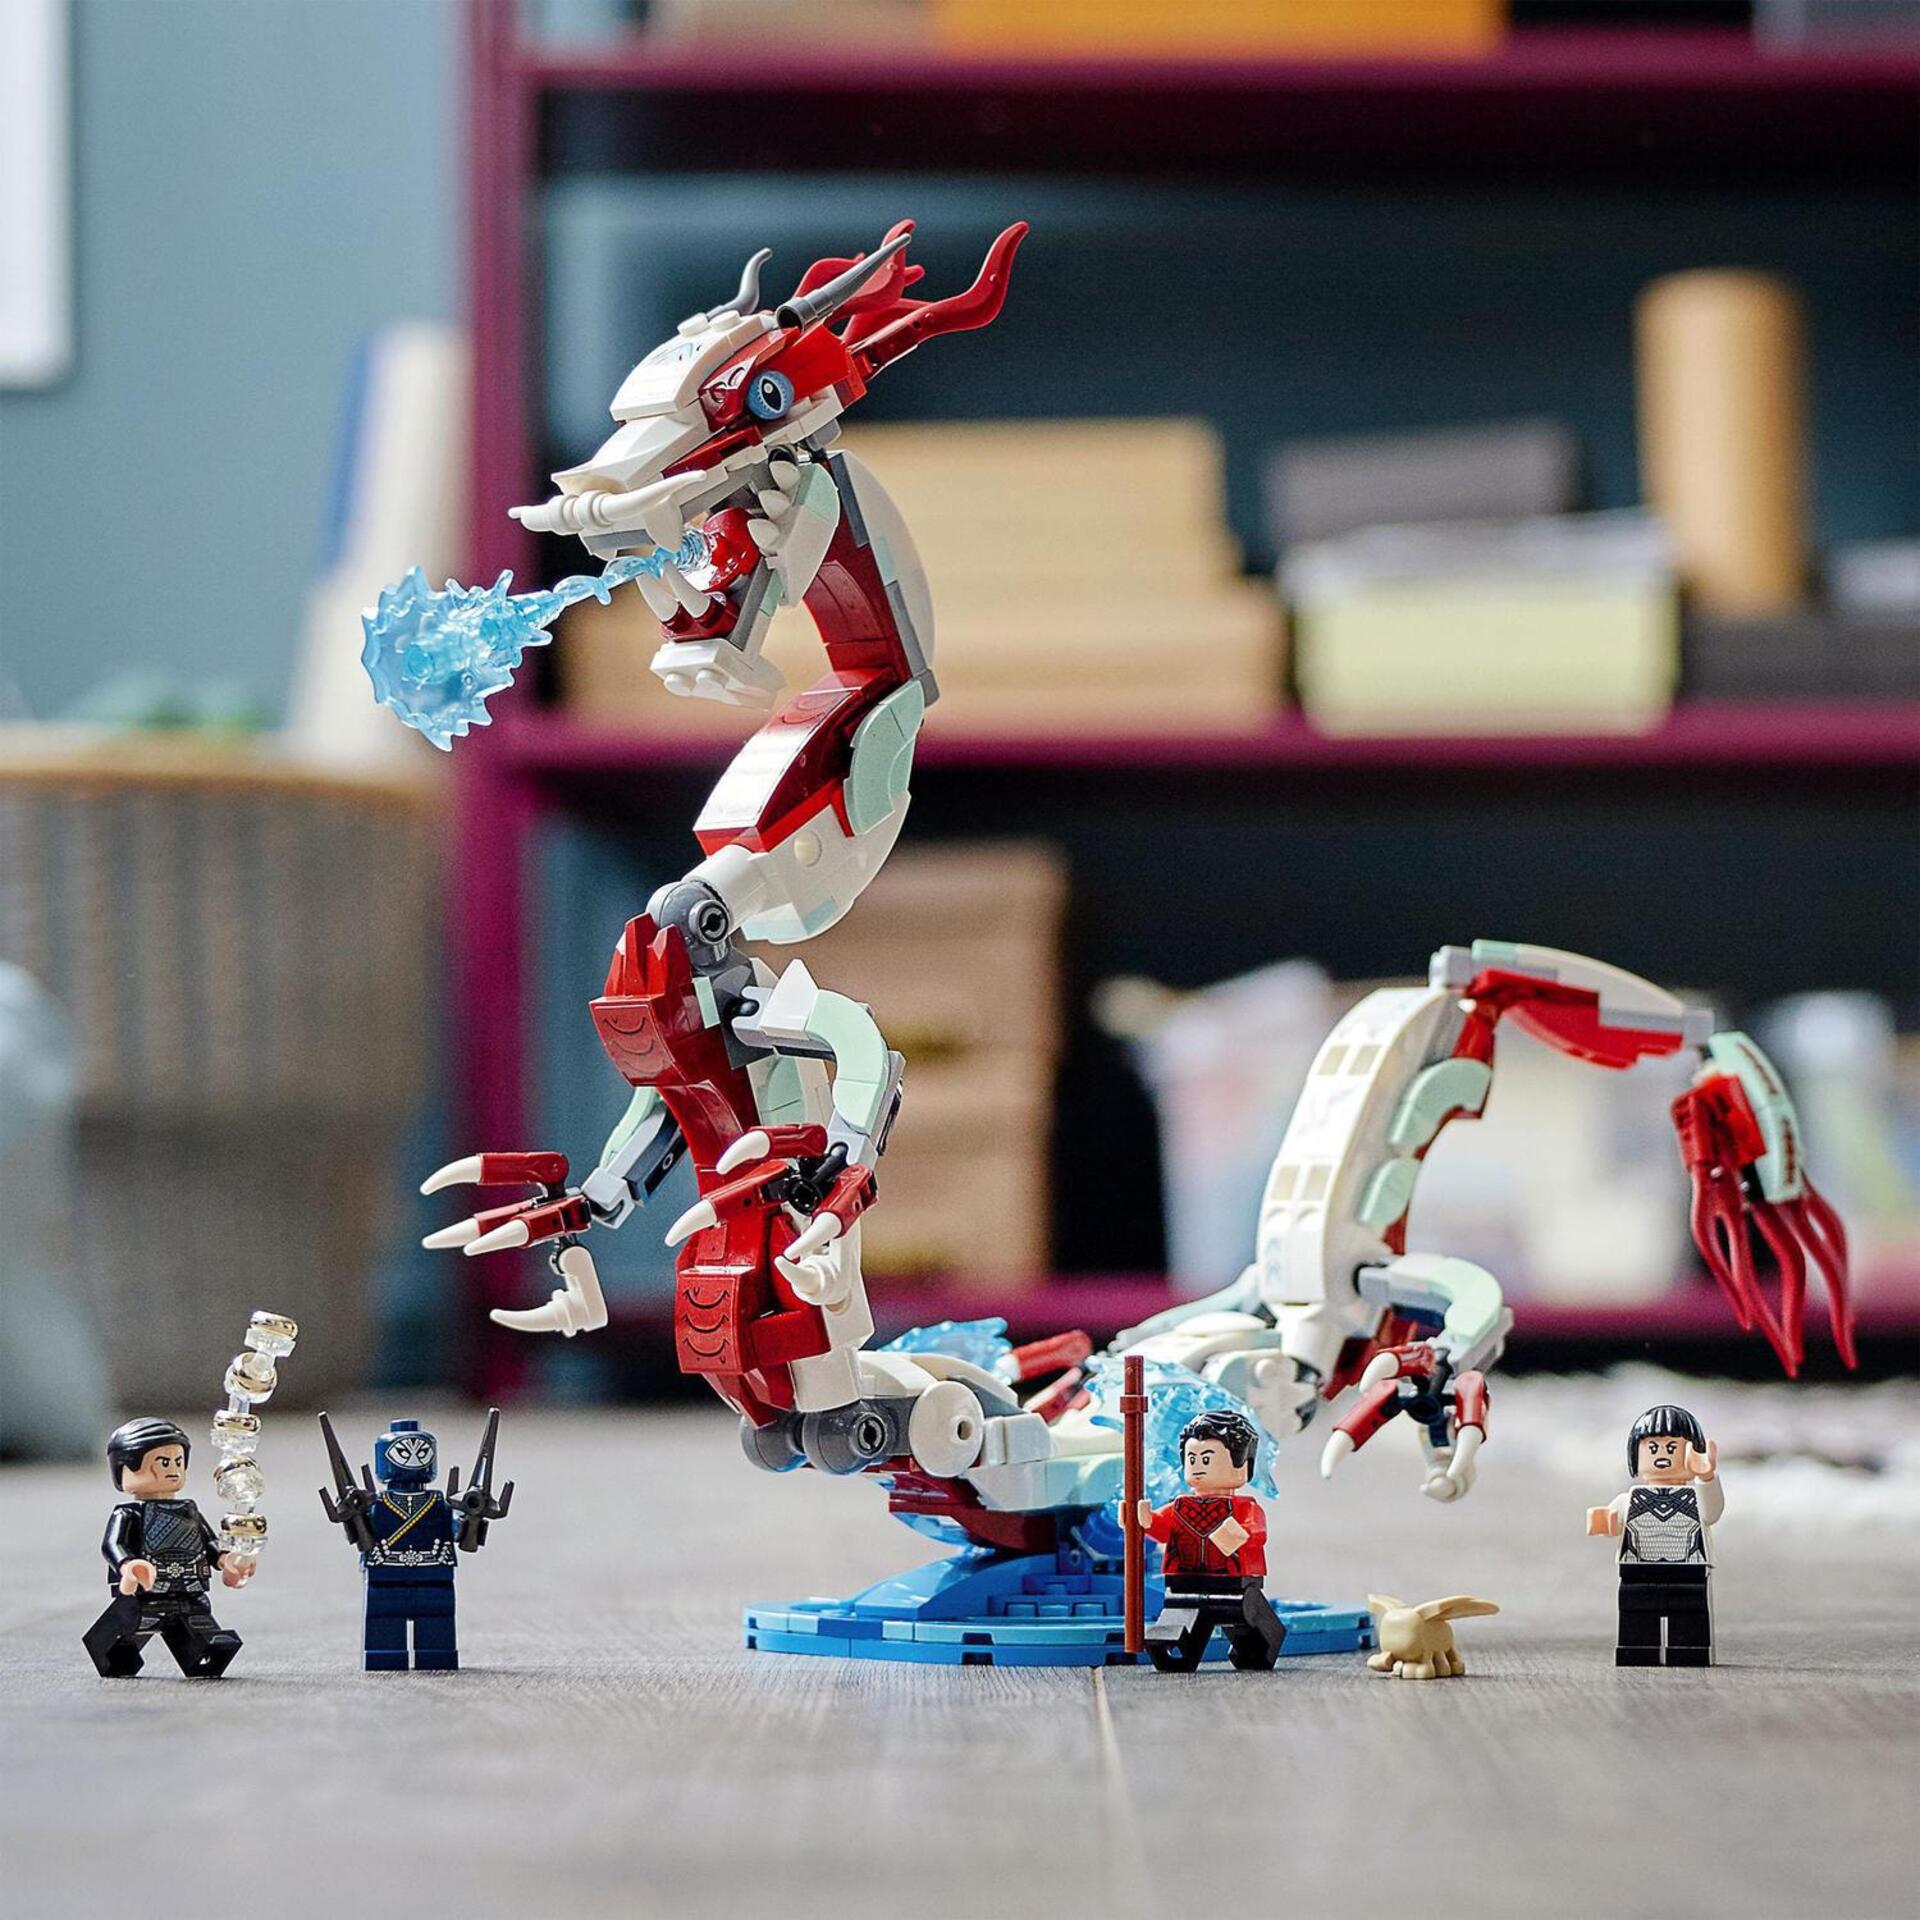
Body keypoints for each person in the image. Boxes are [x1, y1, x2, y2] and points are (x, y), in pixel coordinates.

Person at [82, 1417, 253, 1678]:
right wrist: (128, 1565)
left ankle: (200, 1654)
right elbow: (112, 1544)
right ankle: (112, 1652)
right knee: (131, 1622)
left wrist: (226, 1559)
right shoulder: (129, 1513)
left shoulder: (188, 1510)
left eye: (178, 1462)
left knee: (201, 1627)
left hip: (188, 1589)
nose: (172, 1469)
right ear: (124, 1468)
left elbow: (209, 1542)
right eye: (163, 1462)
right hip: (144, 1590)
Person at [1136, 1407, 1286, 1672]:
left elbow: (1256, 1532)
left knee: (1248, 1622)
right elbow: (1162, 1528)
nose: (1197, 1467)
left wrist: (1238, 1535)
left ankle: (1257, 1648)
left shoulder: (1245, 1508)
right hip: (1184, 1583)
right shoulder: (1179, 1507)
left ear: (1243, 1465)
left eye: (1207, 1459)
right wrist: (1143, 1519)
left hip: (1234, 1584)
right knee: (1174, 1623)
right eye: (1191, 1459)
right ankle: (1176, 1652)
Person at [1586, 1402, 1723, 1668]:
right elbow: (1612, 1522)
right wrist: (1605, 1522)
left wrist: (1707, 1478)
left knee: (1690, 1612)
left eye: (1672, 1448)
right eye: (1653, 1448)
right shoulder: (1630, 1499)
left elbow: (1711, 1513)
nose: (1662, 1455)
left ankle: (1690, 1650)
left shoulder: (1696, 1496)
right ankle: (1637, 1650)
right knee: (1636, 1613)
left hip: (1689, 1569)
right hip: (1637, 1570)